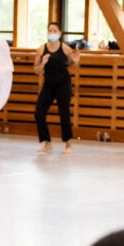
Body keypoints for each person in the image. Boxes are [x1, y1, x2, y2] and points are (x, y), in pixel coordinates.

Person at [33, 21, 80, 154]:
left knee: (64, 113)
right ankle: (47, 143)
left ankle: (68, 144)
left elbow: (71, 64)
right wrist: (43, 63)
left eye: (54, 31)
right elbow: (36, 70)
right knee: (39, 113)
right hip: (48, 84)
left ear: (59, 33)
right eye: (50, 30)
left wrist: (75, 61)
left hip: (63, 83)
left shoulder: (65, 48)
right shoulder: (41, 50)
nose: (52, 33)